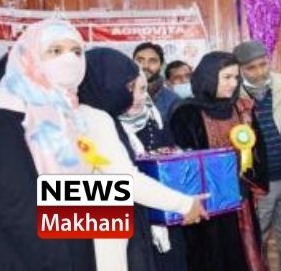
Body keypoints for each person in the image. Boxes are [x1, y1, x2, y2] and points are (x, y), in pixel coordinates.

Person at [0, 20, 120, 270]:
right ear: (29, 57)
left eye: (76, 51)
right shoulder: (4, 116)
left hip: (73, 250)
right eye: (55, 50)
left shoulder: (70, 116)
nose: (69, 59)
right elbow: (17, 205)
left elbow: (70, 193)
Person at [79, 47, 205, 271]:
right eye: (128, 87)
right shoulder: (95, 119)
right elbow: (126, 181)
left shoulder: (75, 114)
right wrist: (185, 204)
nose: (133, 96)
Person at [168, 51, 268, 271]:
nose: (233, 83)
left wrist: (248, 181)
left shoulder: (243, 110)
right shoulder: (186, 112)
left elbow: (259, 152)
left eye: (236, 77)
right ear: (209, 77)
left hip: (239, 204)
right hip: (205, 207)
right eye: (227, 77)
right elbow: (181, 165)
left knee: (241, 256)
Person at [233, 40, 281, 271]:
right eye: (251, 68)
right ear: (240, 69)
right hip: (257, 186)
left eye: (263, 64)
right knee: (255, 244)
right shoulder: (231, 94)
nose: (260, 72)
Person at [119, 56, 190, 271]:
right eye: (131, 89)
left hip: (165, 214)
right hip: (130, 222)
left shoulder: (155, 119)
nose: (138, 97)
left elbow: (169, 153)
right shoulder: (104, 125)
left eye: (143, 89)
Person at [134, 41, 181, 124]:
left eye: (152, 61)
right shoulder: (120, 95)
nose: (145, 66)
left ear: (161, 65)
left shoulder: (173, 101)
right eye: (140, 60)